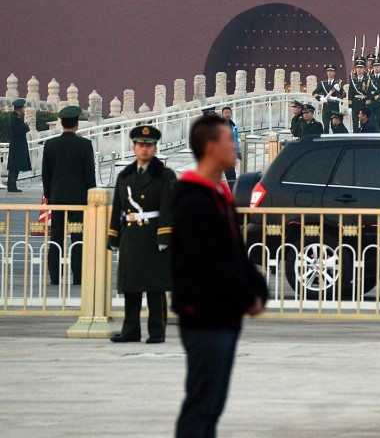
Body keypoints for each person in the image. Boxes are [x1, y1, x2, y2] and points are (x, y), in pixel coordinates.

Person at [171, 113, 268, 438]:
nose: (236, 147)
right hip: (204, 316)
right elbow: (209, 261)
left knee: (212, 406)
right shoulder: (192, 199)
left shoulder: (216, 194)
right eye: (231, 141)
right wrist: (246, 295)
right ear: (211, 147)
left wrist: (258, 288)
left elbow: (236, 254)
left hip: (223, 315)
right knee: (201, 406)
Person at [108, 125, 176, 344]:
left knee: (155, 288)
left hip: (154, 235)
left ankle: (157, 331)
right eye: (140, 145)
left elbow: (169, 208)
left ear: (155, 148)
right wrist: (113, 236)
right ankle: (131, 329)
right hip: (131, 236)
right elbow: (117, 207)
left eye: (148, 145)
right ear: (134, 147)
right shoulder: (125, 175)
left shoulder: (164, 175)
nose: (144, 149)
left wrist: (165, 236)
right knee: (131, 286)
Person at [42, 105, 96, 285]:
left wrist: (49, 195)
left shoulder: (50, 144)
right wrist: (92, 196)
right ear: (77, 124)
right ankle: (78, 276)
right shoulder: (85, 145)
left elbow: (46, 174)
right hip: (78, 202)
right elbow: (89, 174)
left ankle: (55, 276)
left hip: (57, 200)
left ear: (62, 123)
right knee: (77, 237)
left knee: (56, 237)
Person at [6, 98, 31, 192]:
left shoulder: (13, 118)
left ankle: (11, 185)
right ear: (20, 108)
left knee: (13, 166)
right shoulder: (16, 119)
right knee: (14, 166)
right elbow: (22, 130)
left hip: (14, 143)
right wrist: (26, 126)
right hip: (17, 145)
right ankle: (12, 186)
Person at [312, 63, 345, 129]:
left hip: (335, 107)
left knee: (335, 127)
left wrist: (339, 90)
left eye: (331, 71)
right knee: (326, 127)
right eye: (328, 71)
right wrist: (320, 98)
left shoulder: (338, 83)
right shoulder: (323, 83)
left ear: (334, 72)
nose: (330, 73)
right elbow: (314, 93)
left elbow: (343, 95)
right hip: (326, 108)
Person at [221, 107, 240, 183]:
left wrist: (238, 152)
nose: (227, 114)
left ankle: (233, 192)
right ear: (222, 114)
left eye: (229, 113)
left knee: (231, 175)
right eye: (225, 113)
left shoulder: (233, 126)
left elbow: (236, 139)